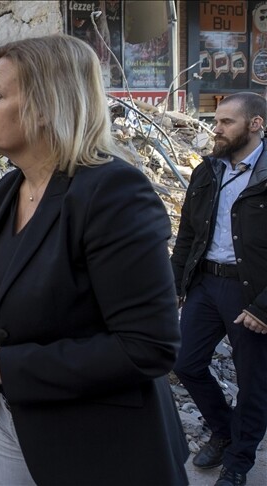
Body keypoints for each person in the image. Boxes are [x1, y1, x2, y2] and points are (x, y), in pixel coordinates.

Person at [0, 34, 189, 485]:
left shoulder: (113, 194)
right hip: (11, 423)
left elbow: (149, 346)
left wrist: (4, 364)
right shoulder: (8, 190)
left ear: (44, 108)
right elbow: (14, 295)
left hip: (95, 445)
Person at [171, 92, 267, 486]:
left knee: (253, 384)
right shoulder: (208, 170)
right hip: (206, 284)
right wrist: (175, 284)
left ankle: (238, 464)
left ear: (256, 124)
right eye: (216, 121)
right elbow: (188, 233)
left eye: (227, 122)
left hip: (251, 292)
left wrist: (263, 307)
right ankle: (224, 430)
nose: (217, 129)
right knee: (185, 363)